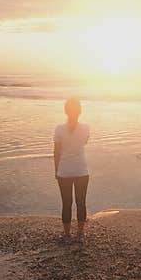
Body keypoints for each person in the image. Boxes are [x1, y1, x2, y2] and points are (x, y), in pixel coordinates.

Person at [53, 97, 90, 245]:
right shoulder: (86, 128)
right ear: (80, 111)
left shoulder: (59, 129)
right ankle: (80, 234)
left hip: (64, 170)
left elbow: (56, 152)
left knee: (66, 203)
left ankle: (67, 235)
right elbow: (84, 142)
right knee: (81, 203)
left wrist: (56, 170)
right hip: (81, 169)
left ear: (65, 111)